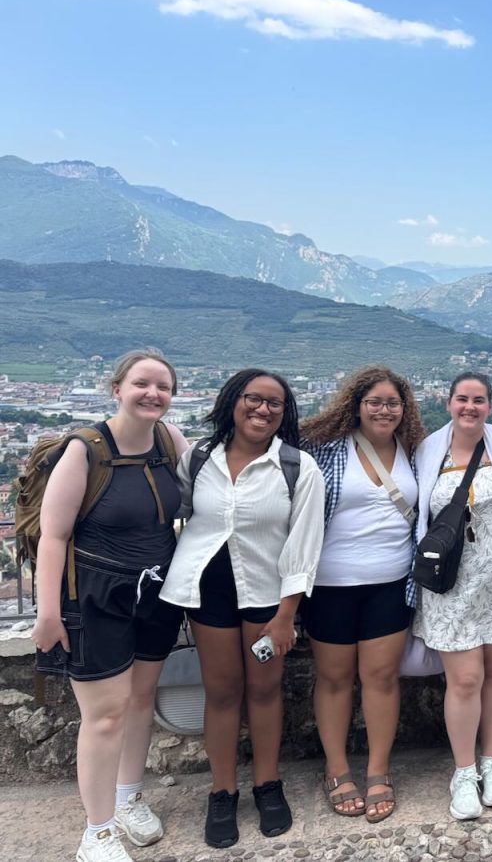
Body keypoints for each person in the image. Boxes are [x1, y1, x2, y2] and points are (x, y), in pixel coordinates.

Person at [31, 348, 189, 862]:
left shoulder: (169, 441)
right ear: (116, 388)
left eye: (163, 387)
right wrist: (48, 614)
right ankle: (96, 832)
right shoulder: (85, 451)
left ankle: (127, 799)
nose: (153, 394)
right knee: (104, 715)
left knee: (141, 700)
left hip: (156, 592)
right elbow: (54, 537)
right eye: (142, 384)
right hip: (94, 596)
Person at [161, 369, 325, 848]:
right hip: (208, 593)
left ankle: (268, 785)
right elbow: (175, 514)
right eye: (254, 398)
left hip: (268, 597)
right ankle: (223, 791)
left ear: (284, 413)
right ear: (232, 401)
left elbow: (304, 545)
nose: (262, 409)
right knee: (222, 692)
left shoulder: (297, 468)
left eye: (274, 403)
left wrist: (286, 615)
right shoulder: (198, 459)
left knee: (265, 690)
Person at [300, 367, 426, 824]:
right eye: (374, 402)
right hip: (329, 585)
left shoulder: (414, 450)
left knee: (382, 679)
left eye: (392, 402)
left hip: (391, 584)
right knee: (333, 678)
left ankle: (377, 770)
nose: (384, 410)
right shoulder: (324, 448)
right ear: (356, 405)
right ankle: (336, 769)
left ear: (404, 408)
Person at [412, 372, 492, 820]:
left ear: (489, 406)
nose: (470, 407)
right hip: (451, 585)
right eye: (462, 399)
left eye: (478, 400)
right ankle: (464, 772)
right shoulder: (429, 451)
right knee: (465, 680)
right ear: (448, 403)